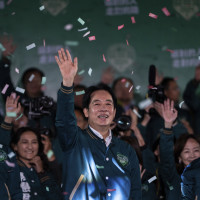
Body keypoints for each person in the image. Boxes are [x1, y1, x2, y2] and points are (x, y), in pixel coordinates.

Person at [55, 48, 142, 199]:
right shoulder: (74, 141)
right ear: (86, 112)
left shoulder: (126, 150)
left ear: (114, 112)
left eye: (108, 104)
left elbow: (135, 193)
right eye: (97, 104)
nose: (103, 109)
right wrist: (68, 83)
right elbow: (64, 120)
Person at [155, 99, 200, 199]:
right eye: (186, 151)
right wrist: (168, 125)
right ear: (179, 157)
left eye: (196, 150)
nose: (192, 155)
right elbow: (166, 156)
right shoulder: (173, 178)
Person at [183, 64, 200, 135]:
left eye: (199, 73)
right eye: (196, 73)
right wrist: (192, 104)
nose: (197, 75)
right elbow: (185, 97)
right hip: (193, 115)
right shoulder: (191, 84)